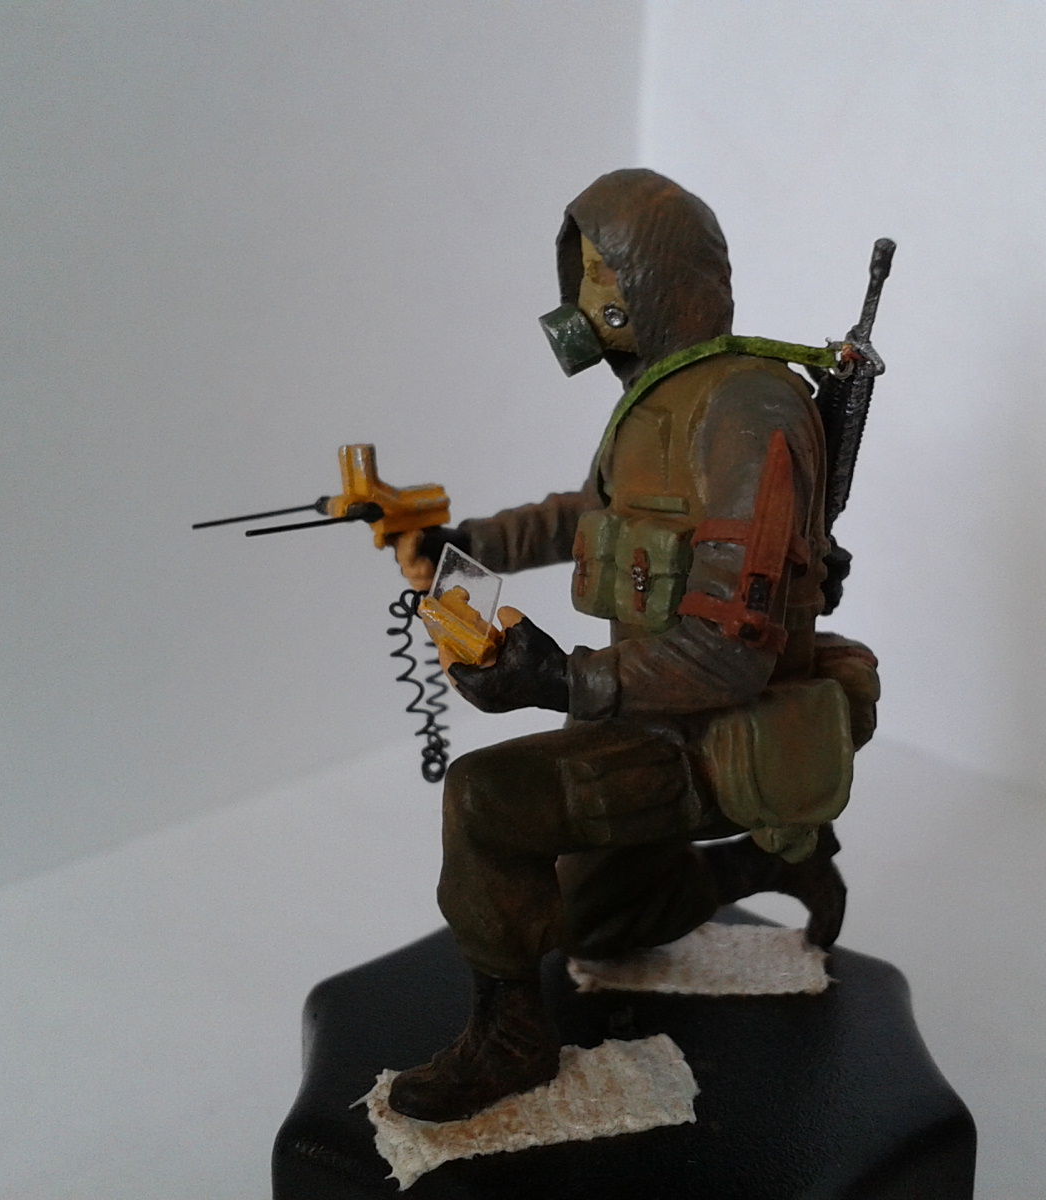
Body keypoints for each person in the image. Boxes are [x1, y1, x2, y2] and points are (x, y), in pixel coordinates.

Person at [386, 169, 878, 1123]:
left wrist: (561, 680)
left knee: (486, 801)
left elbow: (729, 655)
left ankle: (510, 1041)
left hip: (715, 734)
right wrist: (464, 544)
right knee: (593, 927)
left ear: (660, 282)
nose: (583, 299)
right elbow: (586, 515)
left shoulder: (750, 410)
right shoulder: (658, 404)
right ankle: (761, 868)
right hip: (647, 717)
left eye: (604, 273)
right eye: (580, 272)